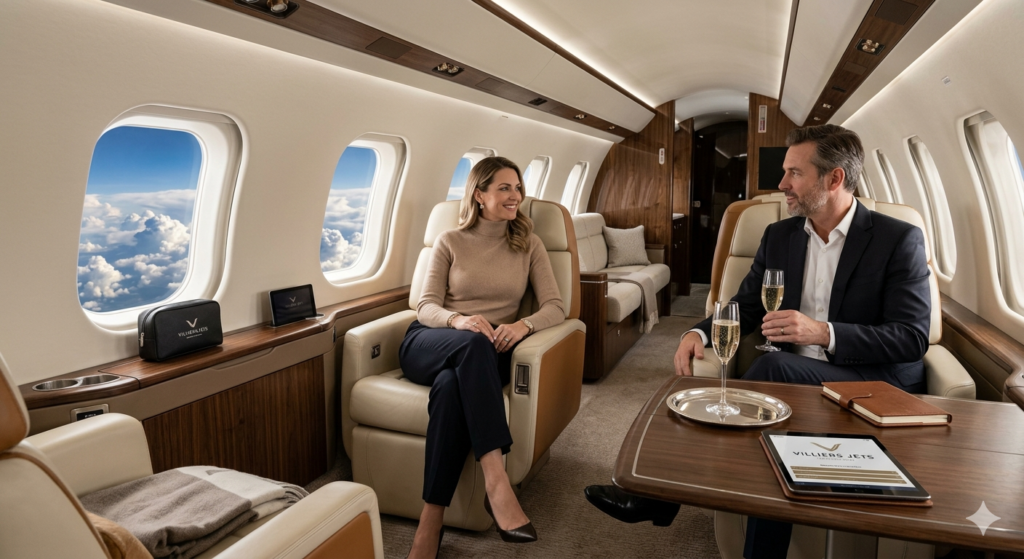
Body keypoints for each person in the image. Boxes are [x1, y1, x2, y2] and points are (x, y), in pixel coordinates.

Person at [585, 124, 932, 559]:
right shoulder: (780, 236)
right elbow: (745, 306)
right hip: (795, 382)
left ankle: (660, 493)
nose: (782, 184)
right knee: (773, 429)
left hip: (867, 382)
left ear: (834, 179)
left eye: (794, 173)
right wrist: (697, 332)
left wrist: (822, 333)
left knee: (769, 372)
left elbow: (912, 338)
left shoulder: (897, 239)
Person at [402, 156, 565, 558]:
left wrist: (523, 326)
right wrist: (457, 320)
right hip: (431, 341)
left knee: (450, 389)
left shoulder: (529, 244)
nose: (516, 196)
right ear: (479, 195)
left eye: (518, 188)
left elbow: (556, 307)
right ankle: (497, 482)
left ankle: (430, 519)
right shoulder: (449, 241)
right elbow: (425, 306)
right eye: (504, 188)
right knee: (470, 345)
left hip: (483, 354)